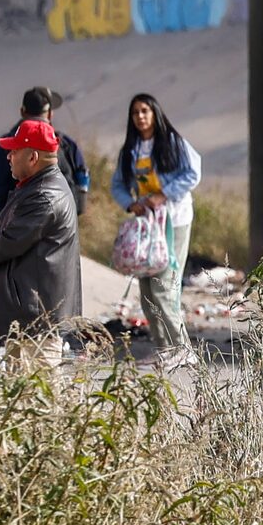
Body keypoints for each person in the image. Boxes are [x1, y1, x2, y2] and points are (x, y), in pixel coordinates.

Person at [0, 119, 83, 341]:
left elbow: (9, 241)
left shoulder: (45, 195)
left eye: (14, 151)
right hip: (28, 326)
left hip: (35, 329)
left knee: (35, 376)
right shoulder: (38, 187)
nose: (9, 157)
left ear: (32, 158)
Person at [111, 93, 200, 364]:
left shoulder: (173, 144)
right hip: (148, 227)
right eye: (136, 112)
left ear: (155, 114)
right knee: (147, 289)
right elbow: (117, 185)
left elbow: (192, 173)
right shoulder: (131, 150)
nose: (140, 116)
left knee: (164, 285)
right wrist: (131, 204)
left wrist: (164, 194)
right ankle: (164, 348)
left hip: (174, 221)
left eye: (145, 111)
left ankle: (183, 349)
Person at [0, 85, 90, 216]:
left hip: (16, 229)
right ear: (50, 114)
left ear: (22, 111)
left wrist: (11, 219)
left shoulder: (5, 145)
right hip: (60, 228)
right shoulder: (67, 146)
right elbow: (81, 198)